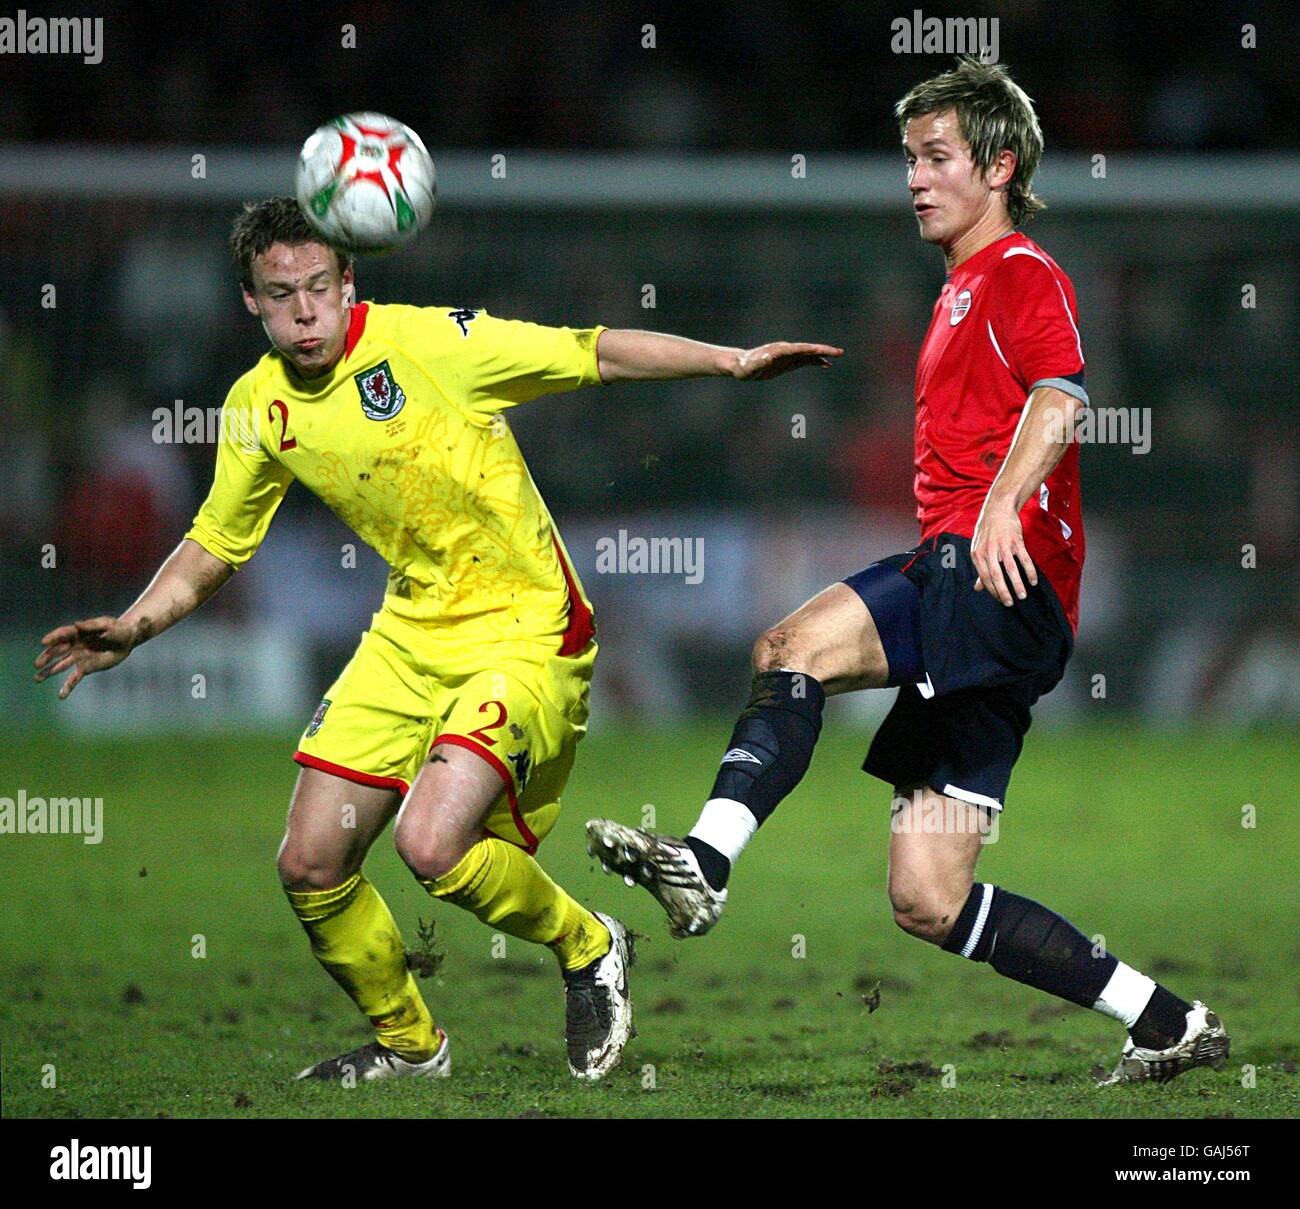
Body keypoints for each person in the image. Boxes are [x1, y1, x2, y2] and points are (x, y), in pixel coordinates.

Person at [35, 196, 841, 1084]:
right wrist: (136, 625)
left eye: (317, 287)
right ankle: (413, 1047)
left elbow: (592, 350)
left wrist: (729, 362)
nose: (304, 312)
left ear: (350, 280)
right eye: (280, 295)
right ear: (250, 306)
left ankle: (590, 944)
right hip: (411, 632)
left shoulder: (435, 344)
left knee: (431, 844)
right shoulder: (258, 407)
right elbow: (218, 542)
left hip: (527, 627)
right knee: (310, 860)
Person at [587, 59, 1228, 1087]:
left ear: (1000, 164)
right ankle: (1164, 1022)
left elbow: (1060, 401)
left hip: (987, 585)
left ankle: (703, 865)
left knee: (789, 646)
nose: (915, 180)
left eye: (936, 159)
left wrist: (1000, 510)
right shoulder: (958, 286)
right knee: (926, 897)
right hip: (982, 596)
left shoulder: (1021, 272)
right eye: (908, 161)